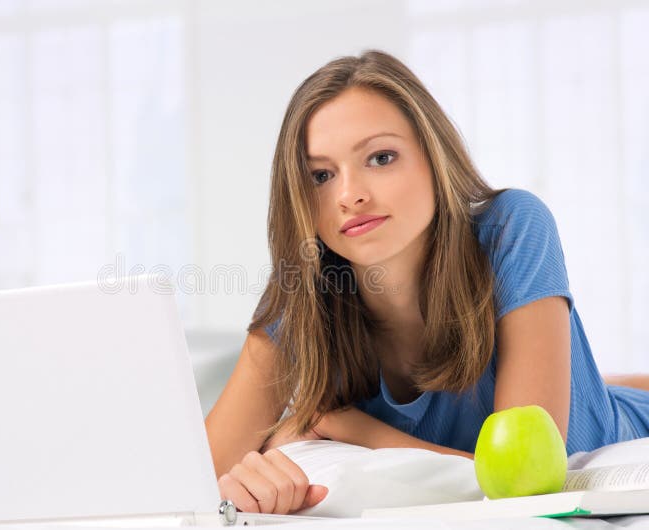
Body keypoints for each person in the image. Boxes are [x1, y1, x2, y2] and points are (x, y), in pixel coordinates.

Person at [204, 49, 649, 516]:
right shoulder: (304, 285)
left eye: (381, 157)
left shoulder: (512, 228)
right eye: (320, 175)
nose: (350, 195)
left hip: (612, 422)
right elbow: (200, 472)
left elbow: (525, 484)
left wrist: (350, 427)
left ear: (434, 159)